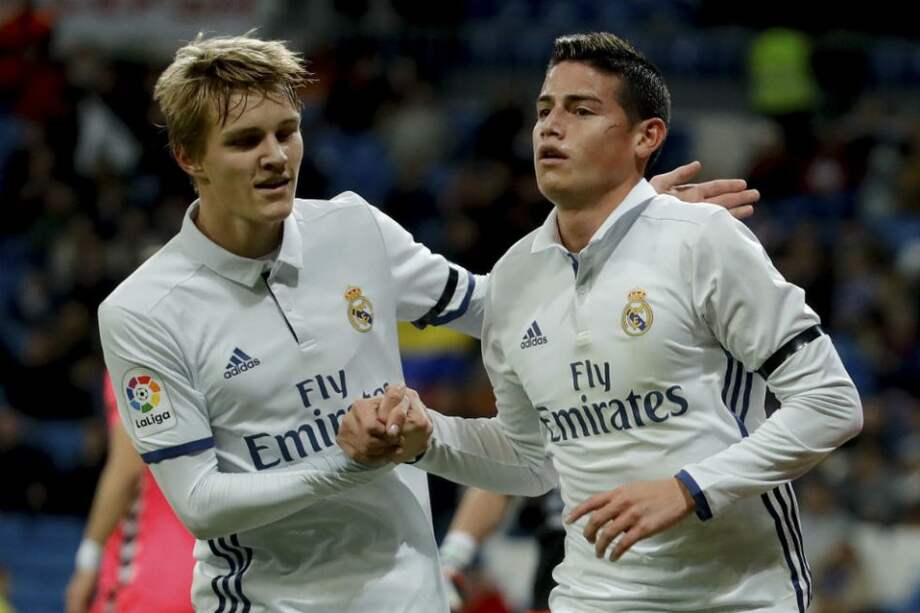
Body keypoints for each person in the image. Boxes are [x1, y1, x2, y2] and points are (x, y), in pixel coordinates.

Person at [97, 33, 760, 612]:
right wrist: (349, 462)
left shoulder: (352, 227)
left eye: (286, 131)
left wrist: (620, 226)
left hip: (408, 593)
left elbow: (501, 306)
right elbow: (202, 503)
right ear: (190, 157)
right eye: (246, 141)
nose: (276, 156)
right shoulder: (144, 311)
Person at [340, 32, 862, 613]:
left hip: (739, 595)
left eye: (581, 109)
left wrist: (689, 489)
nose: (550, 127)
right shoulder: (513, 278)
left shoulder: (704, 240)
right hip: (591, 595)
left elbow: (831, 404)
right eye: (544, 111)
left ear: (647, 137)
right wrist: (427, 438)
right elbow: (530, 460)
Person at [64, 372, 194, 613]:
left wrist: (88, 561)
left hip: (152, 574)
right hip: (217, 567)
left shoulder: (136, 347)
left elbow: (127, 467)